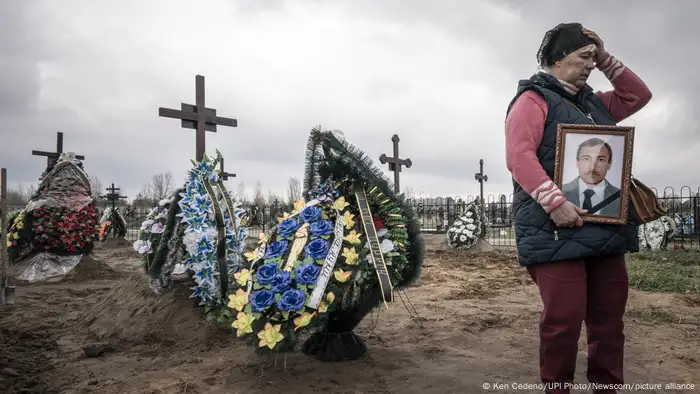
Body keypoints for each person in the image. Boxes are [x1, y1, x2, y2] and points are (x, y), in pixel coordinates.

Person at [504, 23, 652, 393]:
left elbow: (638, 95)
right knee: (563, 322)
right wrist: (555, 203)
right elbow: (518, 157)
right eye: (583, 57)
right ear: (558, 58)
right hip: (554, 229)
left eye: (593, 58)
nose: (590, 65)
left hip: (605, 227)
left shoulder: (596, 104)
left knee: (608, 322)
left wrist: (605, 57)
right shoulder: (532, 100)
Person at [562, 137, 621, 216]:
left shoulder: (622, 197)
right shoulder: (559, 192)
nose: (592, 167)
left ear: (609, 164)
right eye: (586, 159)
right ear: (577, 162)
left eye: (600, 159)